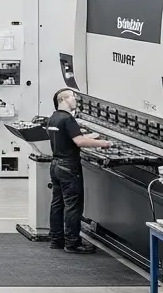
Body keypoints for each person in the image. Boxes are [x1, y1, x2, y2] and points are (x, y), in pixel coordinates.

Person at [47, 89, 114, 254]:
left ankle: (56, 239)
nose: (75, 100)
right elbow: (79, 141)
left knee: (57, 203)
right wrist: (104, 143)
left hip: (56, 165)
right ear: (63, 100)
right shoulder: (68, 118)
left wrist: (90, 137)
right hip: (69, 167)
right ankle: (72, 243)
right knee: (73, 206)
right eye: (72, 97)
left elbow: (69, 137)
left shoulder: (53, 118)